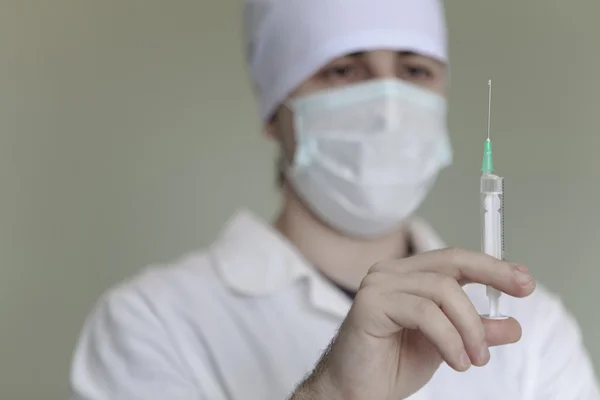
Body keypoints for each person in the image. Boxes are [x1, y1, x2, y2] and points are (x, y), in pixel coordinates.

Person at [69, 0, 600, 399]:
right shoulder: (151, 325)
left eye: (415, 71)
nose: (389, 107)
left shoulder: (533, 333)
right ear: (274, 111)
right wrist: (329, 396)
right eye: (343, 70)